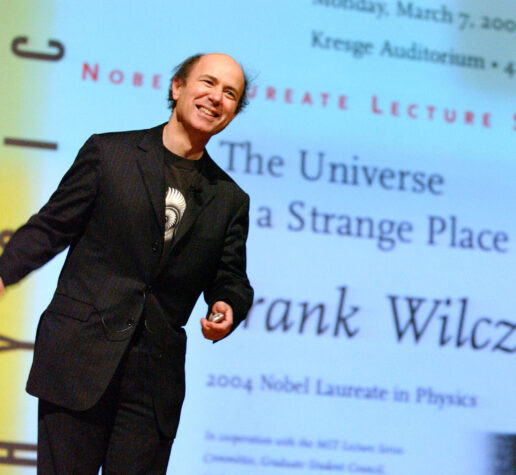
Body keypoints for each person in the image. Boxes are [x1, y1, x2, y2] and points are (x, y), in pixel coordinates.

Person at [0, 52, 254, 473]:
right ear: (178, 88)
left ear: (233, 113)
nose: (216, 97)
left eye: (230, 93)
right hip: (79, 356)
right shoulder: (109, 153)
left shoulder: (229, 198)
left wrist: (228, 305)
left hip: (153, 381)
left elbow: (231, 276)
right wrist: (5, 270)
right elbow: (52, 226)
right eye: (208, 83)